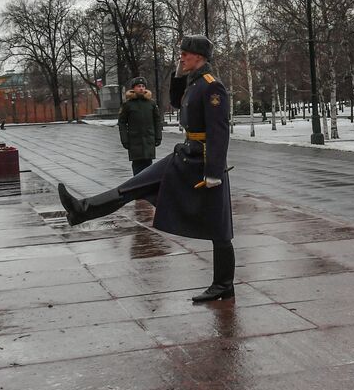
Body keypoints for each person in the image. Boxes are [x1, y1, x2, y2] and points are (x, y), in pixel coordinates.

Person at [56, 35, 236, 302]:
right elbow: (176, 102)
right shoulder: (195, 82)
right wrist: (178, 73)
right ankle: (81, 210)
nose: (181, 57)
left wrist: (213, 172)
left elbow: (219, 132)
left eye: (185, 54)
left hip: (202, 163)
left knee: (219, 228)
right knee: (134, 186)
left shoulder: (212, 87)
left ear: (198, 56)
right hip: (184, 157)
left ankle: (223, 285)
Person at [118, 77, 163, 176]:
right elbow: (122, 123)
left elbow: (157, 120)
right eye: (139, 86)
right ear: (133, 88)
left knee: (149, 165)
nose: (141, 88)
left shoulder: (151, 103)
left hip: (148, 138)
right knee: (137, 166)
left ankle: (147, 186)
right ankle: (137, 186)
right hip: (135, 140)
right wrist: (124, 139)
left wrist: (158, 136)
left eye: (143, 86)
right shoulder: (128, 105)